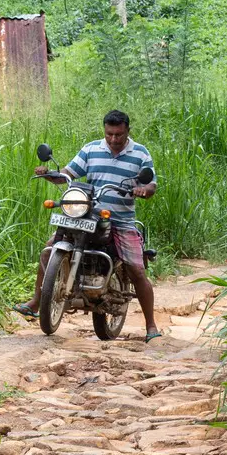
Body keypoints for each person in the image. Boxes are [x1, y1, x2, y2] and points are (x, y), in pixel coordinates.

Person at [17, 109, 161, 341]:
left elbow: (151, 184)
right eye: (109, 134)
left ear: (127, 132)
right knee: (48, 250)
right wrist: (49, 174)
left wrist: (143, 189)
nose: (113, 139)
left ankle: (151, 326)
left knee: (136, 269)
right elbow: (67, 174)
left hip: (120, 220)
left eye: (119, 135)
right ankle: (36, 301)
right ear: (104, 131)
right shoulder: (91, 149)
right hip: (87, 213)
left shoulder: (140, 154)